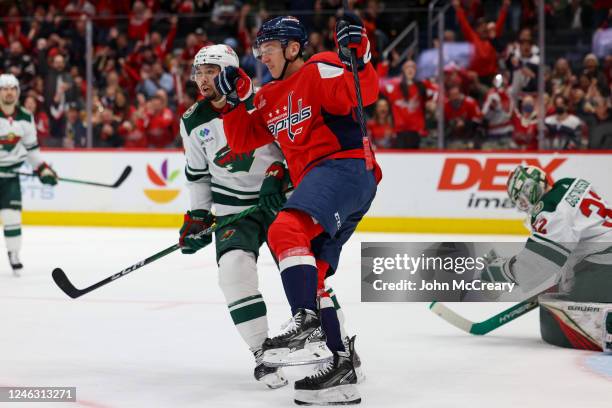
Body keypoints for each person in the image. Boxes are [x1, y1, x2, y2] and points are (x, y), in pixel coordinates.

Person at [214, 14, 380, 405]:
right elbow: (241, 142)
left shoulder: (319, 67)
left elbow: (363, 92)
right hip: (326, 183)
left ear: (292, 48)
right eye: (259, 50)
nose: (262, 56)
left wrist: (359, 54)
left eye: (268, 48)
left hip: (345, 166)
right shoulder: (269, 96)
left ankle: (305, 323)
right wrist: (234, 104)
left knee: (283, 230)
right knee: (315, 275)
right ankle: (342, 369)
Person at [177, 44, 288, 389]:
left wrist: (279, 173)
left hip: (278, 204)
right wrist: (197, 216)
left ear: (229, 72)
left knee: (306, 272)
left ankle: (338, 346)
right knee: (234, 271)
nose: (203, 78)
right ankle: (263, 353)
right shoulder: (193, 120)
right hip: (233, 212)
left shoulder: (268, 100)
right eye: (199, 72)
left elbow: (294, 148)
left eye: (211, 70)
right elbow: (198, 175)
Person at [482, 165, 612, 304]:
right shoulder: (569, 183)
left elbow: (539, 262)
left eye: (520, 200)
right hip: (602, 255)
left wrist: (502, 273)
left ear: (528, 190)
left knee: (562, 315)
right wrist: (568, 275)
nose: (523, 205)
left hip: (604, 264)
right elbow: (578, 237)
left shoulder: (551, 209)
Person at [0, 74, 57, 276]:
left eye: (12, 88)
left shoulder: (25, 116)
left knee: (12, 218)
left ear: (17, 92)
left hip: (11, 179)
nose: (8, 92)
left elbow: (32, 151)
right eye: (4, 88)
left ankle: (13, 253)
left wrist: (43, 170)